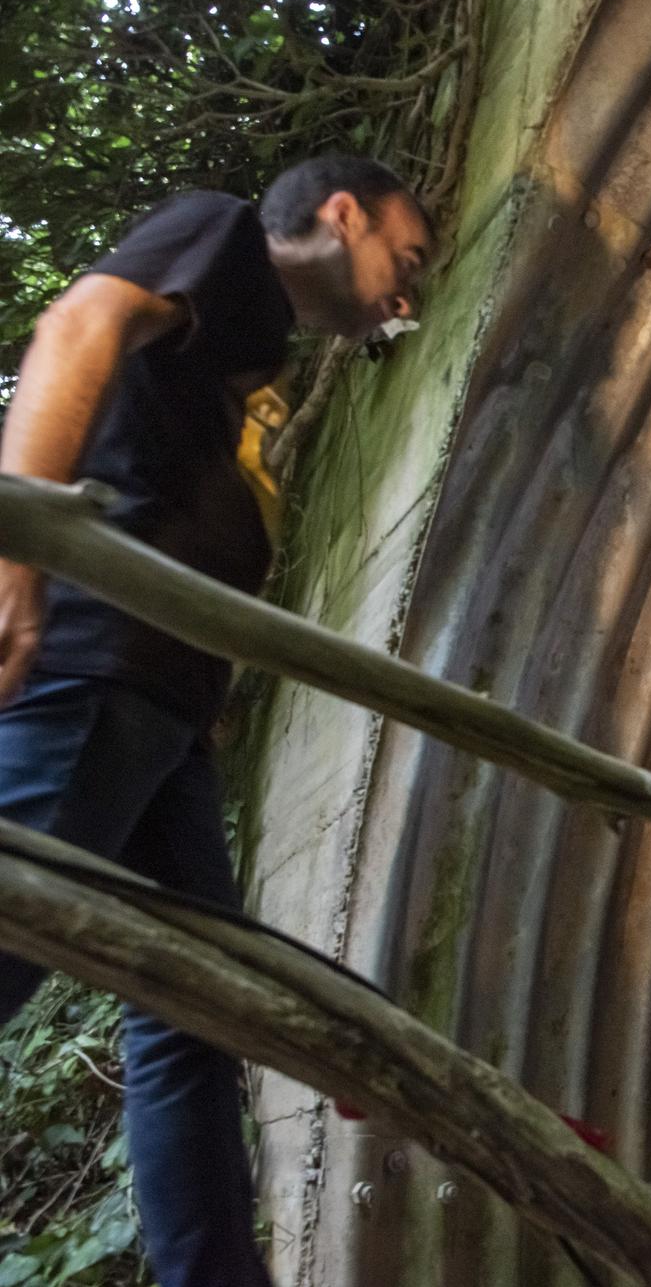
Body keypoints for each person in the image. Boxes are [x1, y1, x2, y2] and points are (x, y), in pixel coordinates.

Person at [0, 154, 432, 1287]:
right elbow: (80, 322)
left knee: (191, 1015)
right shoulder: (221, 237)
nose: (405, 293)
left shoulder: (258, 340)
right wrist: (20, 544)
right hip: (98, 665)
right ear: (341, 216)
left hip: (163, 714)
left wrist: (209, 694)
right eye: (405, 255)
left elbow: (192, 493)